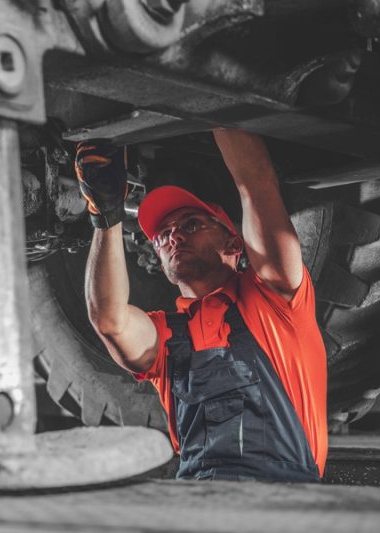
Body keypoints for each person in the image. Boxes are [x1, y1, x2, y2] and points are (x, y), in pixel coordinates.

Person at [75, 129, 327, 482]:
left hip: (282, 504)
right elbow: (110, 320)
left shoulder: (275, 300)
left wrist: (211, 100)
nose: (174, 236)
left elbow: (256, 184)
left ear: (234, 242)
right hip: (199, 501)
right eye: (162, 236)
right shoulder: (166, 338)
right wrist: (106, 217)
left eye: (191, 224)